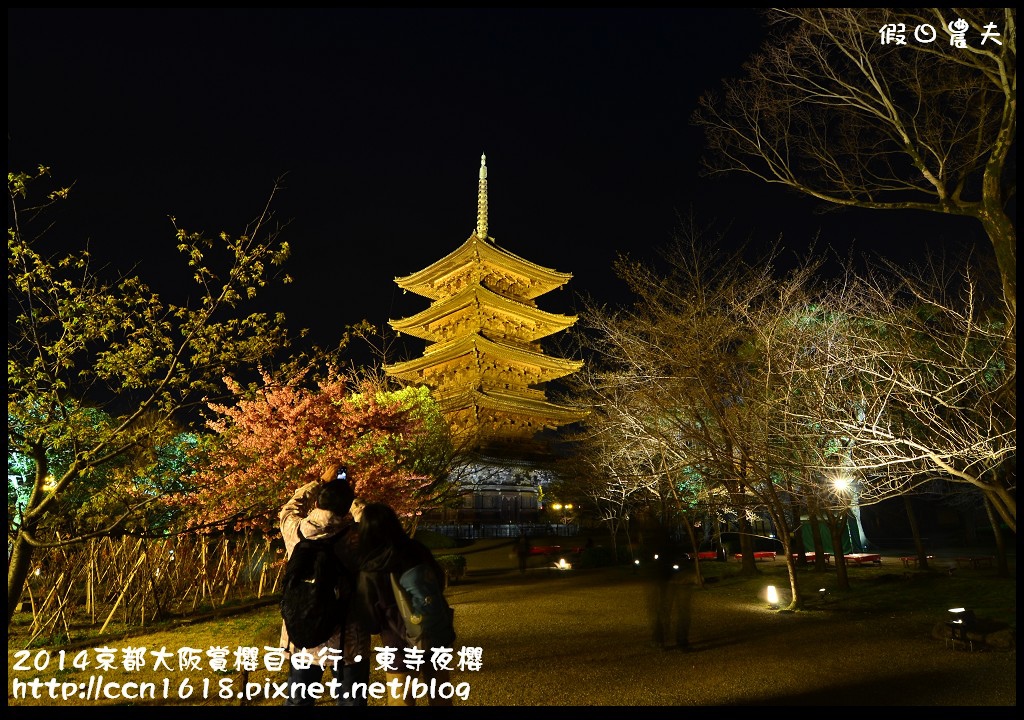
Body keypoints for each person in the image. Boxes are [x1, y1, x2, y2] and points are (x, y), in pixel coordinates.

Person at [278, 463, 371, 706]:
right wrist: (354, 501)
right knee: (351, 702)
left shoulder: (295, 531)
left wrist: (320, 481)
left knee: (299, 701)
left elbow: (289, 508)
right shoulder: (356, 537)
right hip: (347, 638)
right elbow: (372, 526)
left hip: (304, 633)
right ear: (344, 508)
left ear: (317, 503)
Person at [357, 502, 456, 706]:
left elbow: (371, 619)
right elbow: (437, 582)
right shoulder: (417, 549)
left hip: (397, 642)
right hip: (433, 632)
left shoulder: (371, 567)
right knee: (440, 696)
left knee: (401, 698)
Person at [643, 522, 695, 652]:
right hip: (669, 578)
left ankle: (661, 640)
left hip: (666, 578)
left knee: (664, 610)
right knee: (675, 610)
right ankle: (678, 641)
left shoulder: (657, 544)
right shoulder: (668, 544)